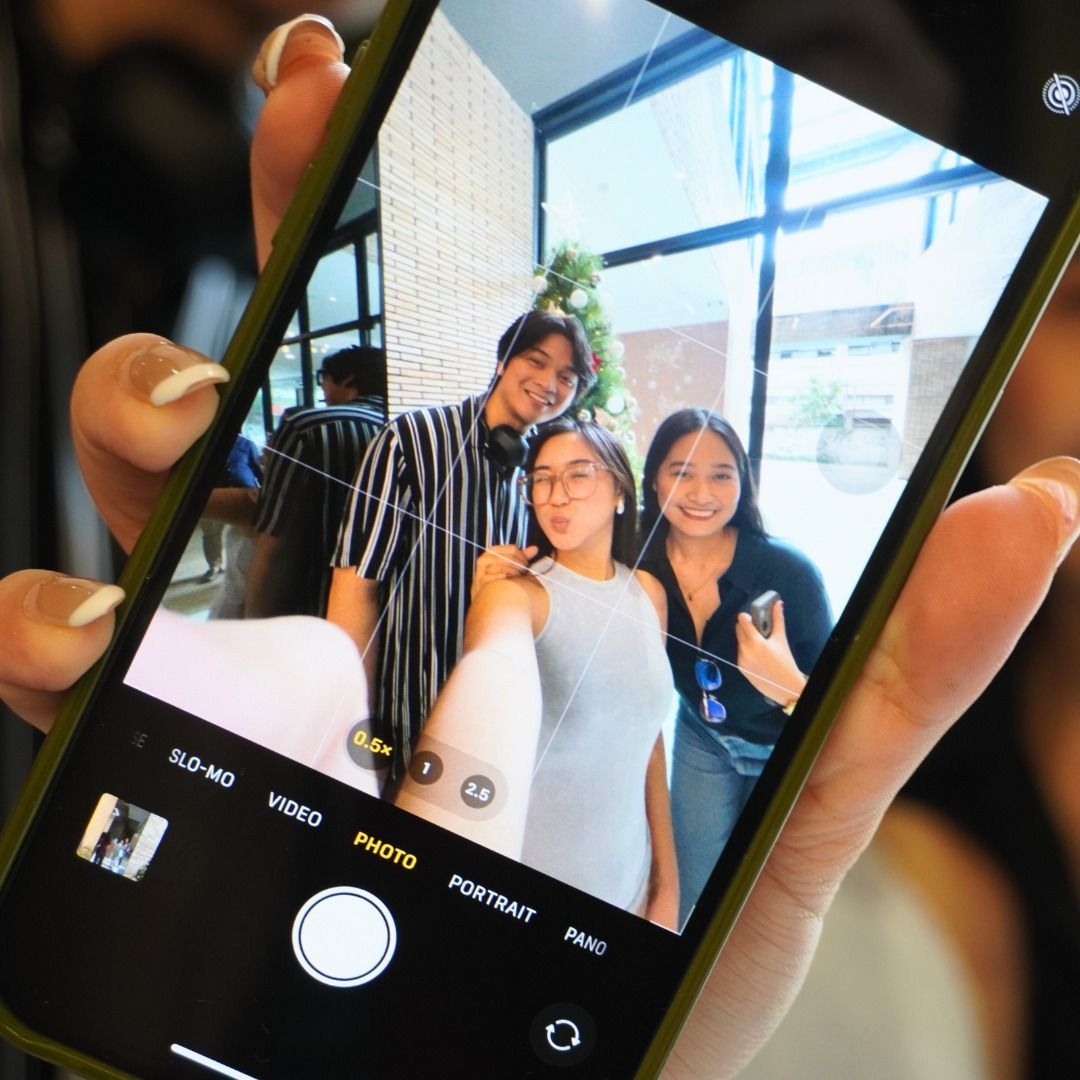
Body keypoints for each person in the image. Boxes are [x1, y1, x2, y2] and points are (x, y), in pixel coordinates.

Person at [0, 20, 1077, 1080]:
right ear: (511, 363)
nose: (550, 404)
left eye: (570, 404)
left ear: (621, 485)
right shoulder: (419, 446)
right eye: (540, 377)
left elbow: (642, 731)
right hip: (368, 748)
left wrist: (662, 879)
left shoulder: (619, 546)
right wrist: (309, 737)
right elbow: (407, 622)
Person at [397, 418, 679, 927]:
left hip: (630, 886)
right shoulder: (521, 595)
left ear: (619, 488)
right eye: (541, 479)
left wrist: (666, 882)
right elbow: (487, 675)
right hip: (528, 893)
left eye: (577, 475)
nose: (554, 495)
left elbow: (649, 743)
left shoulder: (649, 595)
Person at [327, 309, 595, 777]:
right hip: (408, 717)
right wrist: (352, 729)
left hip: (485, 724)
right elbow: (355, 586)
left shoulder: (537, 476)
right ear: (503, 361)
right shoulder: (411, 440)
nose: (549, 383)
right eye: (536, 361)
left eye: (567, 376)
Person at [636, 409, 833, 924]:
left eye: (721, 474)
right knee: (686, 883)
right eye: (680, 472)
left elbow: (843, 714)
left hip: (782, 749)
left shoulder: (789, 573)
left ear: (743, 484)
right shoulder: (639, 564)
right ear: (653, 480)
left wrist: (787, 684)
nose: (701, 492)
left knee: (759, 903)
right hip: (703, 739)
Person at [245, 344, 387, 618]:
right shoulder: (408, 426)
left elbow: (274, 541)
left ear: (347, 378)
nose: (322, 386)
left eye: (324, 376)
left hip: (315, 604)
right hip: (389, 609)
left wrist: (255, 618)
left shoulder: (307, 426)